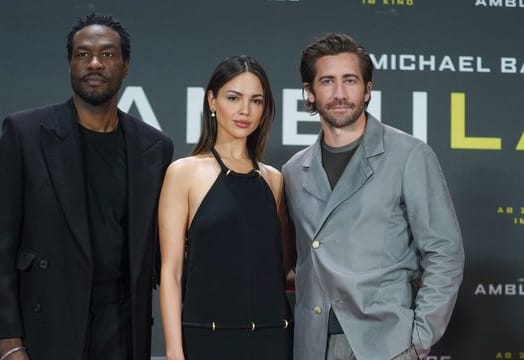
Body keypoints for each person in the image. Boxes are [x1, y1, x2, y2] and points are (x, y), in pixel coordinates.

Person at [0, 13, 173, 360]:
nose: (95, 63)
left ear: (126, 65)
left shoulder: (154, 147)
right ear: (70, 64)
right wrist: (8, 341)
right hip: (45, 329)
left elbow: (164, 250)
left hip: (122, 328)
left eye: (108, 54)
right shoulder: (26, 134)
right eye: (83, 54)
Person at [282, 33, 465, 360]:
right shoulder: (294, 170)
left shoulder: (409, 155)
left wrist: (417, 342)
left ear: (367, 89)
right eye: (327, 81)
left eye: (350, 80)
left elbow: (444, 252)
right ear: (309, 92)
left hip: (385, 344)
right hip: (311, 343)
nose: (340, 93)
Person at [158, 55, 292, 360]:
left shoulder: (274, 180)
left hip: (272, 338)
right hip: (206, 338)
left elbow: (280, 266)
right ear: (212, 101)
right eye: (234, 98)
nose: (245, 110)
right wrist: (174, 351)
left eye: (256, 101)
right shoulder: (184, 173)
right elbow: (172, 271)